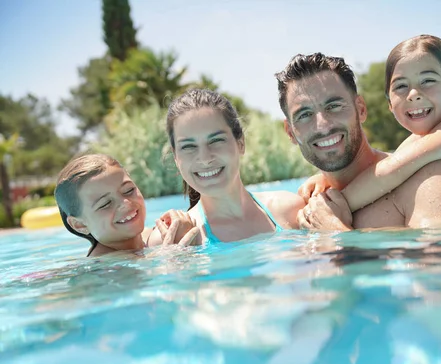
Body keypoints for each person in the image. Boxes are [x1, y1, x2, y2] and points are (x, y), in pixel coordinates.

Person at [299, 35, 441, 211]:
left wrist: (336, 205)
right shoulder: (414, 145)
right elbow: (386, 164)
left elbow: (390, 172)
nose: (414, 94)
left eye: (428, 80)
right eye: (401, 86)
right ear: (390, 104)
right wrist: (329, 180)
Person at [274, 52, 441, 231]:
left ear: (361, 109)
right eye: (305, 115)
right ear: (290, 132)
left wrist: (335, 233)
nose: (323, 125)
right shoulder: (309, 206)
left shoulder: (426, 181)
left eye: (333, 106)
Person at [165, 88, 305, 245]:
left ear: (241, 143)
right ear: (176, 157)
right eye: (188, 147)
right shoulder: (170, 240)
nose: (204, 159)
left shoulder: (291, 210)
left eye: (216, 140)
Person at [55, 154, 199, 257]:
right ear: (79, 224)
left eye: (129, 190)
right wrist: (172, 254)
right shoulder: (106, 269)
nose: (125, 203)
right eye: (105, 204)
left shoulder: (149, 235)